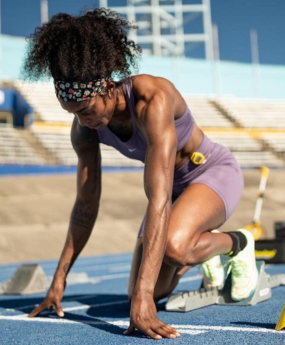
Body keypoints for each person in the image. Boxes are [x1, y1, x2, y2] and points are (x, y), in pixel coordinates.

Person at [23, 8, 258, 340]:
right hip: (173, 192)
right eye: (72, 113)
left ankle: (237, 243)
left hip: (210, 173)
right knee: (138, 293)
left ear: (106, 86)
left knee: (173, 250)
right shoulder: (84, 131)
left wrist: (146, 299)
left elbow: (158, 199)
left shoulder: (151, 99)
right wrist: (60, 277)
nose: (83, 121)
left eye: (87, 110)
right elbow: (86, 205)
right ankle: (200, 250)